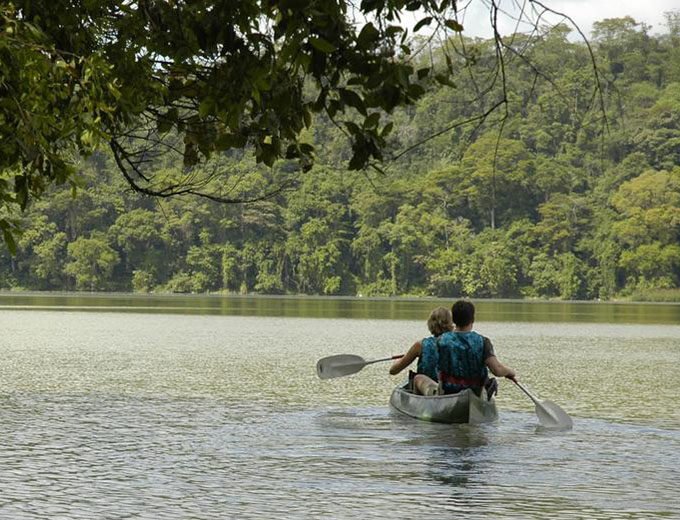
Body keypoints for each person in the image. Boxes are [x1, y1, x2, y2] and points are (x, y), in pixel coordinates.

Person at [437, 300, 515, 397]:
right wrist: (510, 372)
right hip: (475, 392)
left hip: (448, 392)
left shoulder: (441, 340)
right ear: (472, 319)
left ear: (453, 319)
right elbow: (497, 370)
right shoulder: (483, 341)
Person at [388, 306, 452, 396]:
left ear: (430, 324)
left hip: (426, 391)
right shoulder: (457, 344)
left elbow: (393, 371)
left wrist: (399, 361)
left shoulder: (420, 345)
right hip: (449, 388)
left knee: (417, 378)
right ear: (450, 324)